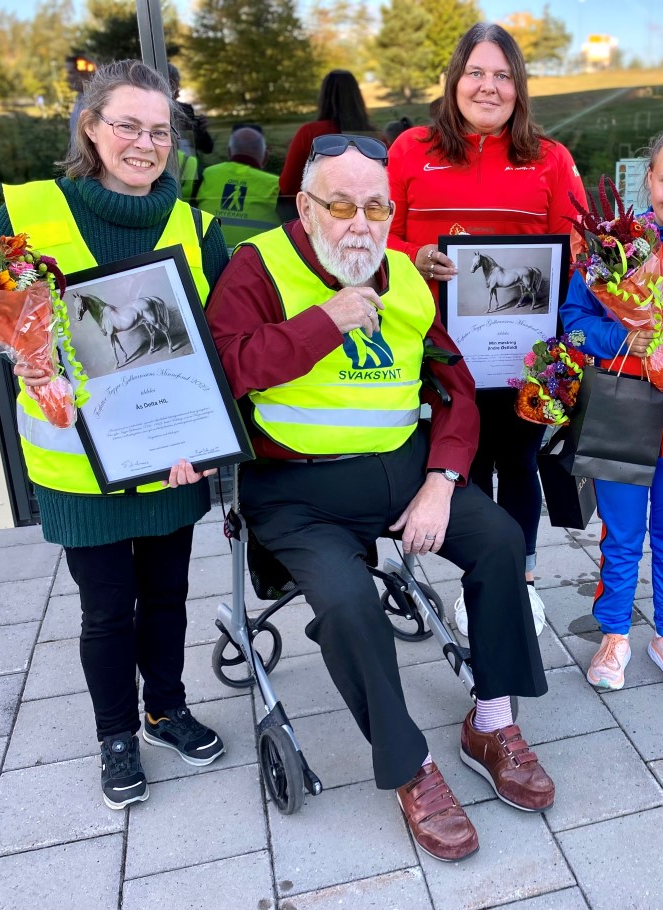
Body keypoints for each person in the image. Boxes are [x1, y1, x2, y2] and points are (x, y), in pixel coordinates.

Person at [206, 135, 553, 863]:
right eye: (341, 204)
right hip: (299, 494)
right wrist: (321, 323)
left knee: (497, 542)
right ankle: (411, 769)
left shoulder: (406, 277)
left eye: (376, 205)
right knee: (347, 603)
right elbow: (226, 370)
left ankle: (490, 719)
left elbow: (453, 388)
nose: (360, 222)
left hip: (406, 473)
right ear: (305, 205)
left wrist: (442, 480)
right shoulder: (257, 268)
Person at [0, 59, 230, 809]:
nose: (146, 142)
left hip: (170, 456)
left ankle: (166, 708)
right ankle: (115, 733)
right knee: (105, 608)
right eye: (128, 125)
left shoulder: (197, 229)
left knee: (167, 596)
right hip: (76, 463)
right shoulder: (27, 216)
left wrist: (211, 440)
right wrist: (24, 364)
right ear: (90, 127)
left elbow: (218, 347)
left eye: (160, 130)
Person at [386, 23, 587, 639]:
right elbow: (374, 235)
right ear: (454, 79)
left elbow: (579, 244)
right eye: (477, 72)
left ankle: (519, 582)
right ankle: (478, 582)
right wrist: (416, 254)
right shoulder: (410, 150)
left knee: (520, 465)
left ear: (519, 88)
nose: (489, 86)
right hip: (435, 347)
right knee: (461, 470)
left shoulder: (549, 159)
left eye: (503, 75)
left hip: (521, 353)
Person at [561, 114, 663, 691]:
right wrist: (620, 338)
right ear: (647, 179)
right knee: (621, 535)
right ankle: (613, 634)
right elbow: (573, 326)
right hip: (622, 419)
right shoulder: (612, 249)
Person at [277, 69, 377, 217]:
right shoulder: (376, 139)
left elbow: (288, 187)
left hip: (321, 220)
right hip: (366, 220)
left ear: (324, 97)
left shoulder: (310, 134)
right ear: (357, 98)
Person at [194, 126, 281, 249]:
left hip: (208, 254)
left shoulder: (207, 174)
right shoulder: (276, 185)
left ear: (229, 152)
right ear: (265, 157)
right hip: (256, 259)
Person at [167, 63, 213, 201]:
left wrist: (201, 130)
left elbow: (207, 147)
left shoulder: (185, 109)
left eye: (176, 83)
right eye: (172, 82)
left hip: (189, 172)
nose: (177, 88)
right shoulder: (147, 111)